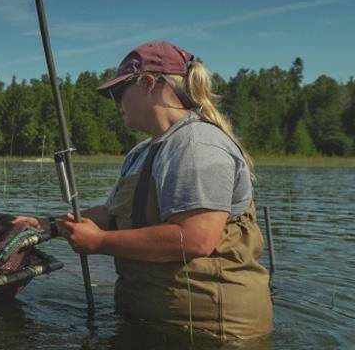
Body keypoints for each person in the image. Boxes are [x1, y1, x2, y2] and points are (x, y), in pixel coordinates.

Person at [18, 41, 272, 340]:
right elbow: (111, 215)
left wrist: (99, 242)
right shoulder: (141, 152)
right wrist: (48, 225)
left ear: (148, 83)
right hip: (155, 322)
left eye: (118, 92)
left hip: (211, 333)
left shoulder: (197, 144)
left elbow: (195, 239)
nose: (116, 103)